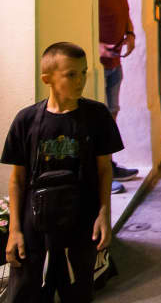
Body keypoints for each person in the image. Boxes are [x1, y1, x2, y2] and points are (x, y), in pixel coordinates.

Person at [3, 43, 124, 303]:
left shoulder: (97, 116)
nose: (80, 80)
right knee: (29, 294)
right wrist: (14, 230)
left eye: (84, 72)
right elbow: (17, 180)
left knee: (77, 293)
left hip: (81, 222)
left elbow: (104, 170)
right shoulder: (26, 120)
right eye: (71, 74)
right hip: (35, 224)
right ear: (47, 79)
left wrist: (104, 214)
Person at [97, 0, 140, 190]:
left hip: (114, 63)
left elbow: (126, 13)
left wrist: (130, 34)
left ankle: (109, 164)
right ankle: (102, 173)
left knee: (112, 113)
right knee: (100, 117)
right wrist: (98, 46)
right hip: (99, 65)